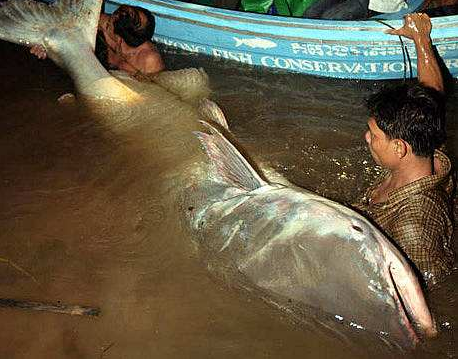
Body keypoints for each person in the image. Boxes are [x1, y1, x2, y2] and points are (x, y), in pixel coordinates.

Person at [353, 13, 455, 289]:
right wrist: (421, 38)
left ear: (399, 147)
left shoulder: (414, 228)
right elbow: (434, 93)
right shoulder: (426, 146)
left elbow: (420, 290)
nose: (366, 138)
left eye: (374, 135)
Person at [31, 4, 165, 77]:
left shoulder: (149, 60)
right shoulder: (100, 26)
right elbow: (59, 29)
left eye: (108, 24)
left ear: (119, 38)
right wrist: (45, 47)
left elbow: (152, 93)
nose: (103, 20)